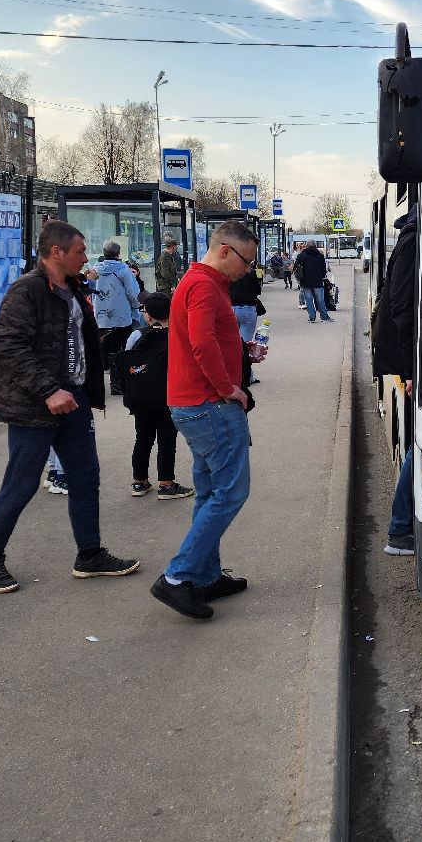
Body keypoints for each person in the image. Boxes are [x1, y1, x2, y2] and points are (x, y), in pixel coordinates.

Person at [0, 220, 140, 595]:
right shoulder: (27, 290)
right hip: (36, 403)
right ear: (56, 252)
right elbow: (10, 347)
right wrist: (49, 390)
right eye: (79, 251)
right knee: (21, 482)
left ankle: (90, 555)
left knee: (85, 476)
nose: (85, 257)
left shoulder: (75, 287)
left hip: (73, 398)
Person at [151, 219, 259, 620]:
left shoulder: (204, 284)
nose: (248, 270)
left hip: (196, 403)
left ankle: (205, 576)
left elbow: (208, 336)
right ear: (226, 250)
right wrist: (228, 387)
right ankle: (178, 577)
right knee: (230, 493)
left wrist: (243, 350)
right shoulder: (202, 286)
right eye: (246, 261)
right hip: (209, 404)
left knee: (210, 492)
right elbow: (200, 342)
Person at [115, 292, 194, 501]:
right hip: (168, 397)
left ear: (148, 316)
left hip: (141, 398)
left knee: (142, 438)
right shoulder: (177, 335)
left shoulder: (136, 335)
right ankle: (166, 484)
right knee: (167, 440)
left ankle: (139, 482)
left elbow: (128, 361)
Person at [372, 205, 419, 556]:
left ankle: (402, 527)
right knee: (421, 446)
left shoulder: (414, 236)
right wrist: (411, 370)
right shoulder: (415, 241)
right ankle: (400, 530)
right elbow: (403, 309)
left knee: (420, 445)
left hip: (415, 359)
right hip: (414, 362)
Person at [91, 239, 142, 395]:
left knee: (104, 350)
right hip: (121, 316)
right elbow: (132, 292)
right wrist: (136, 306)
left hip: (101, 316)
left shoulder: (94, 269)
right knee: (121, 350)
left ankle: (99, 385)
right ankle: (118, 384)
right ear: (118, 254)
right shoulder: (124, 270)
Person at [296, 240, 332, 322]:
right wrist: (322, 276)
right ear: (315, 246)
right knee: (320, 300)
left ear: (307, 246)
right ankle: (324, 317)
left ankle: (312, 317)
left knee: (308, 300)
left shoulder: (302, 255)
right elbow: (323, 269)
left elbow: (295, 266)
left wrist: (299, 277)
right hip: (318, 281)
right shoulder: (320, 255)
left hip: (305, 281)